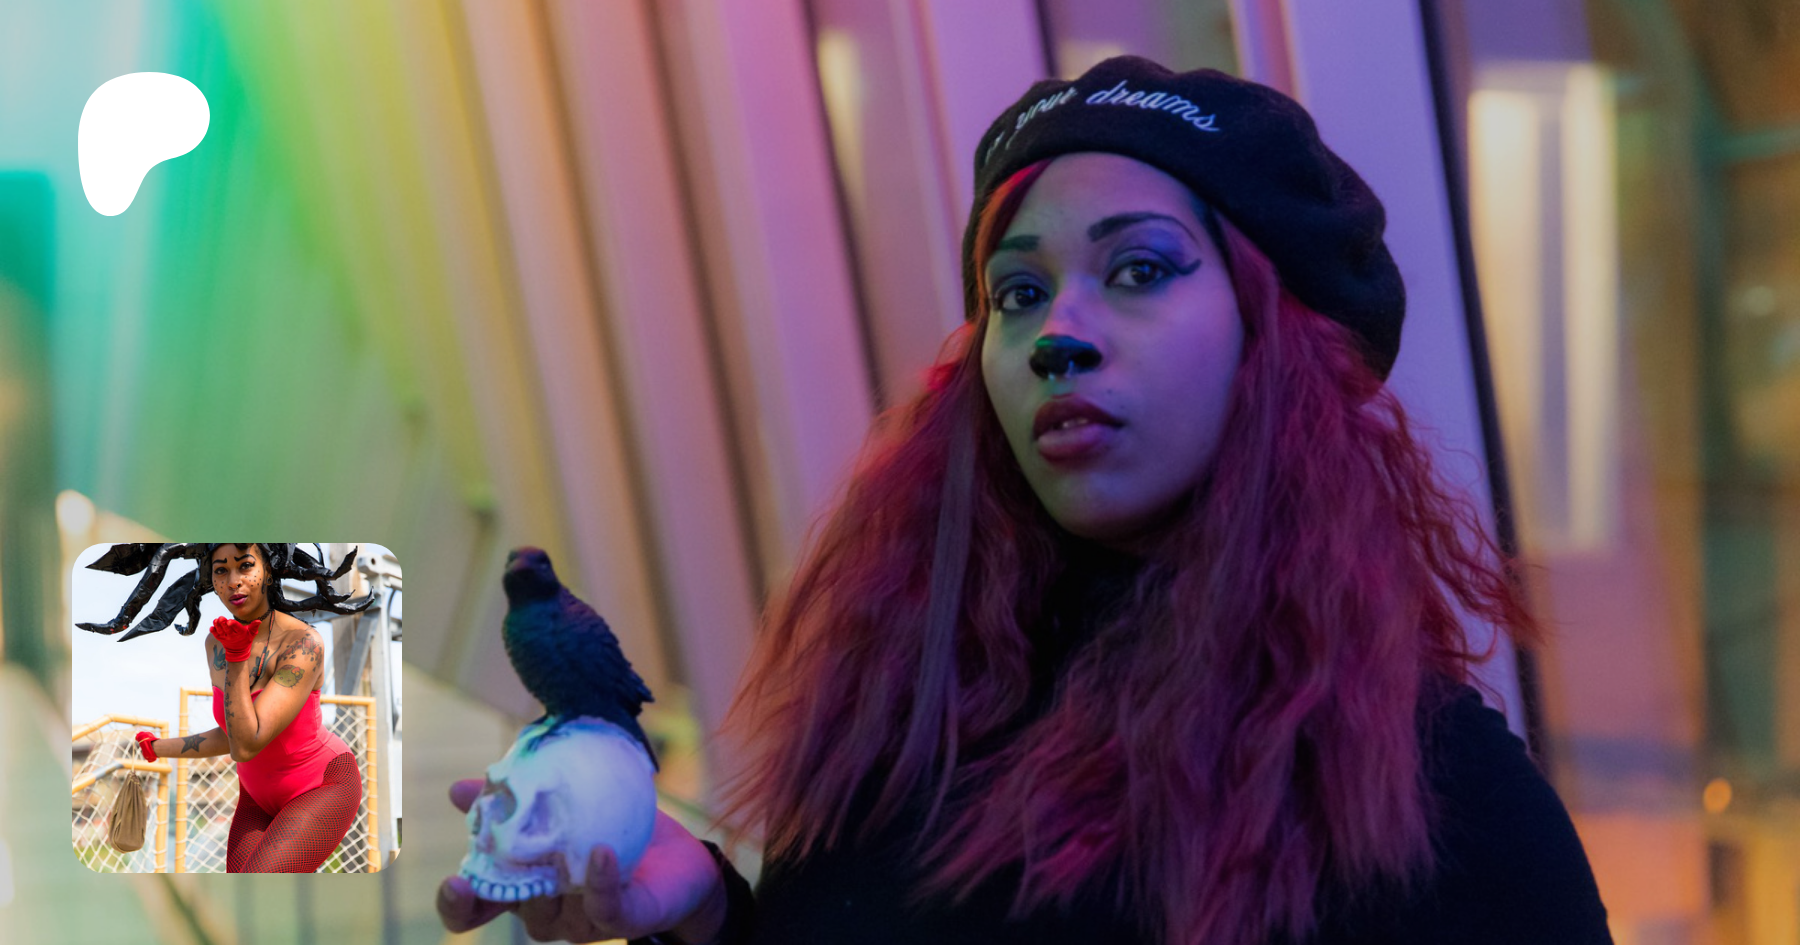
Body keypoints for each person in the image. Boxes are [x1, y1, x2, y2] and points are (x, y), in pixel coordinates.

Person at [437, 56, 1614, 943]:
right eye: (1017, 292)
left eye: (1139, 269)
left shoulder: (1447, 812)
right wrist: (704, 918)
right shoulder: (913, 725)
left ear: (1274, 347)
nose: (1058, 334)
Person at [128, 543, 365, 872]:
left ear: (268, 570)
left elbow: (246, 745)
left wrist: (238, 658)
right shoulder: (216, 643)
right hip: (255, 797)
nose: (233, 581)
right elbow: (233, 731)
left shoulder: (303, 643)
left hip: (321, 784)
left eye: (245, 566)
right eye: (221, 571)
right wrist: (157, 748)